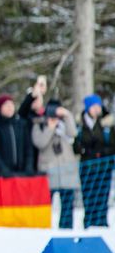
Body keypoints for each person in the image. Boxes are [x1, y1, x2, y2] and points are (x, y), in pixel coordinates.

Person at [33, 102, 80, 229]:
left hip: (67, 171)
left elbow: (73, 134)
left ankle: (66, 232)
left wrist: (67, 115)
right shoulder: (40, 124)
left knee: (67, 208)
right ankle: (45, 231)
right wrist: (50, 127)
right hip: (48, 172)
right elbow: (40, 142)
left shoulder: (64, 123)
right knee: (47, 206)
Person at [75, 94, 114, 228]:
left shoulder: (107, 125)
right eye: (94, 107)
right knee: (88, 196)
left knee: (102, 196)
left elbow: (112, 145)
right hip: (87, 168)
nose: (97, 110)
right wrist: (85, 151)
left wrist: (102, 153)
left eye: (98, 106)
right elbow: (76, 145)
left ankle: (102, 222)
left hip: (104, 167)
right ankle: (89, 222)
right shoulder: (80, 125)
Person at [0, 94, 36, 176]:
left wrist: (29, 166)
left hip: (21, 173)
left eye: (11, 104)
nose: (10, 107)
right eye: (6, 105)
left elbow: (28, 148)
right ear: (0, 108)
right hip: (1, 174)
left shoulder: (21, 124)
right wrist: (2, 169)